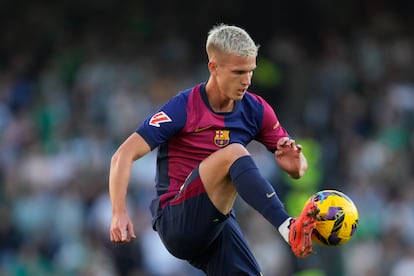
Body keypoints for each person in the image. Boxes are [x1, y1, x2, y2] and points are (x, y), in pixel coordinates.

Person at [109, 23, 319, 275]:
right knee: (234, 153)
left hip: (216, 224)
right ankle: (288, 226)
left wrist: (296, 165)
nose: (247, 81)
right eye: (238, 72)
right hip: (177, 219)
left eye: (251, 71)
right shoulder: (183, 107)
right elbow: (123, 154)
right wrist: (119, 212)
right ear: (214, 67)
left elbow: (299, 167)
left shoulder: (256, 110)